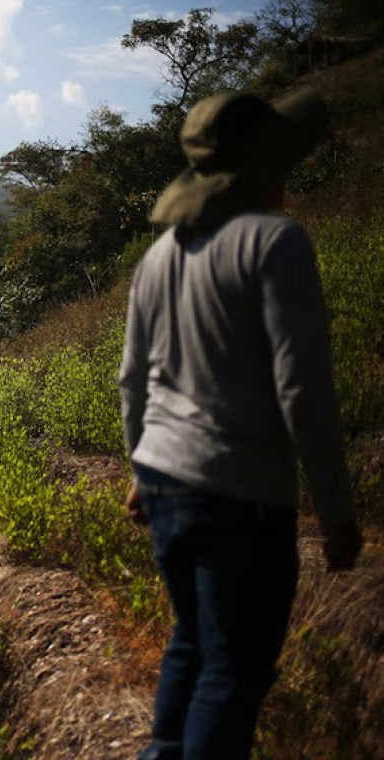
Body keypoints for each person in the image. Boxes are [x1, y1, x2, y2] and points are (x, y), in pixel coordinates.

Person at [118, 86, 363, 760]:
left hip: (164, 478)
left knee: (193, 640)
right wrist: (335, 509)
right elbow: (302, 387)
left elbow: (133, 381)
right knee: (234, 665)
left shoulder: (158, 257)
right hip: (237, 489)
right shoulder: (277, 241)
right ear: (265, 170)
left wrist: (141, 469)